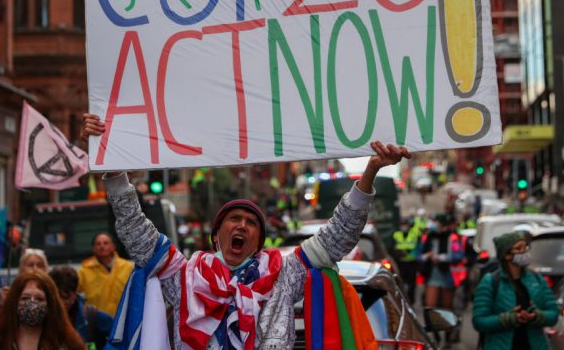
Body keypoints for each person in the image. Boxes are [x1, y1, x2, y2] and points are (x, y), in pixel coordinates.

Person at [82, 113, 409, 348]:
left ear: (258, 243)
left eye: (251, 223)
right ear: (216, 235)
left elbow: (338, 235)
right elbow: (135, 232)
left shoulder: (285, 275)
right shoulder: (183, 276)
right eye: (234, 219)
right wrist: (112, 171)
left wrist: (370, 171)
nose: (242, 225)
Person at [472, 231, 558, 349]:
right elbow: (479, 321)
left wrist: (537, 316)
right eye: (519, 248)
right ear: (507, 255)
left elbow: (553, 313)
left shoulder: (536, 278)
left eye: (525, 247)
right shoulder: (491, 282)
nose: (524, 252)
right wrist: (507, 319)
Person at [0, 270, 86, 350]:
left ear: (51, 305)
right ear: (14, 303)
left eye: (39, 299)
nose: (32, 304)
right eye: (25, 298)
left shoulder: (67, 344)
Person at [0, 248, 49, 337]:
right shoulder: (6, 294)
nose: (35, 268)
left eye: (40, 265)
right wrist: (1, 306)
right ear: (22, 268)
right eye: (30, 264)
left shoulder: (52, 294)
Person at [77, 232, 134, 316]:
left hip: (123, 319)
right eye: (98, 244)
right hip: (96, 322)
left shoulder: (128, 267)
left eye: (106, 243)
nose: (102, 246)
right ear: (94, 249)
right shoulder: (84, 271)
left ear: (113, 247)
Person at [420, 214, 462, 310]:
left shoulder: (452, 238)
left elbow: (458, 255)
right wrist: (427, 256)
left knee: (447, 306)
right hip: (432, 274)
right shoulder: (429, 237)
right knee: (430, 305)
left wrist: (441, 258)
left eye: (436, 222)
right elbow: (420, 255)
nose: (434, 224)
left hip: (448, 275)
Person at [392, 216, 420, 303]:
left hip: (412, 263)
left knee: (412, 284)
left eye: (405, 224)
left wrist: (407, 252)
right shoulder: (396, 234)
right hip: (400, 263)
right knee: (401, 283)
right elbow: (393, 248)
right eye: (402, 224)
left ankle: (411, 301)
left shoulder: (414, 235)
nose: (404, 226)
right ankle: (402, 300)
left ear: (409, 225)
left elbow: (417, 248)